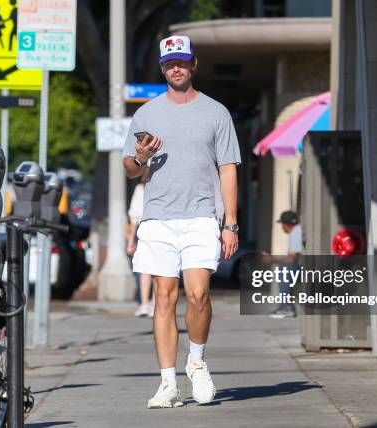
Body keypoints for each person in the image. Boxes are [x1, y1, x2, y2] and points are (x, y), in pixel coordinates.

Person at [122, 35, 241, 409]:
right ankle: (167, 382)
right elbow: (129, 169)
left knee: (199, 293)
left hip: (203, 216)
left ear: (193, 65)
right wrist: (139, 157)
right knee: (163, 298)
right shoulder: (146, 114)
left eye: (182, 61)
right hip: (158, 217)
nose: (176, 68)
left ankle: (197, 362)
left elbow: (228, 169)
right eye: (170, 63)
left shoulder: (216, 113)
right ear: (162, 68)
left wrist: (231, 223)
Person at [127, 171, 154, 317]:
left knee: (150, 270)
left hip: (147, 231)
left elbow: (134, 216)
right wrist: (131, 240)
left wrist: (131, 240)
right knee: (154, 269)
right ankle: (150, 304)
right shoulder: (140, 189)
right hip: (147, 231)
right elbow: (134, 215)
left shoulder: (140, 189)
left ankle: (148, 304)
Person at [267, 211, 302, 318]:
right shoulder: (297, 231)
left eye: (282, 224)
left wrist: (272, 260)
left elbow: (292, 259)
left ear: (287, 224)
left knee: (284, 271)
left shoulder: (296, 232)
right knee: (284, 268)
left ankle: (286, 308)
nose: (282, 227)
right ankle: (285, 307)